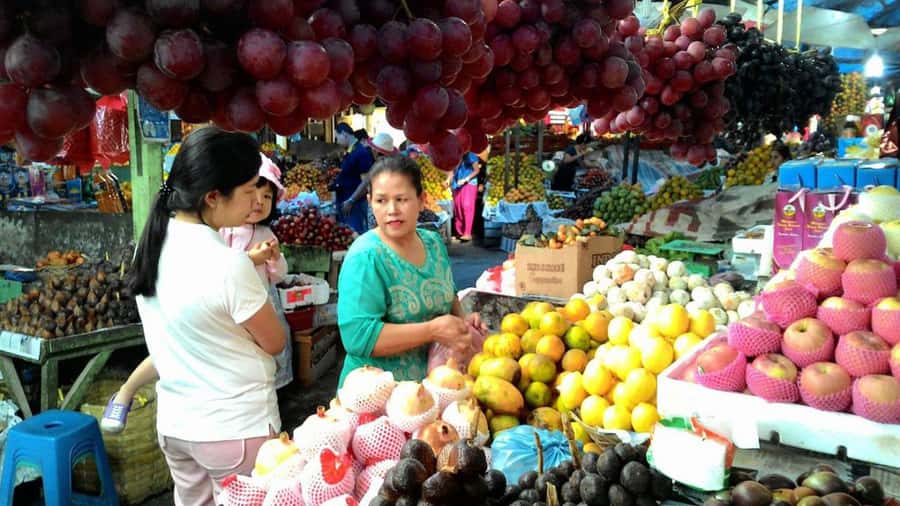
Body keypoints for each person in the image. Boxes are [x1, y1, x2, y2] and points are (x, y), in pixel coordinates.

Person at [125, 127, 287, 505]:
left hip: (177, 426)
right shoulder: (230, 265)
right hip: (233, 429)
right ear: (213, 197)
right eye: (248, 191)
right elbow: (275, 341)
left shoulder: (149, 250)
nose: (254, 203)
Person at [336, 155, 481, 387]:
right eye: (381, 201)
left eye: (401, 199)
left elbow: (448, 294)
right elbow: (358, 337)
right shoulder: (365, 257)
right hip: (376, 396)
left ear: (422, 200)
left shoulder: (433, 243)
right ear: (370, 201)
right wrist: (432, 331)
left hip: (433, 389)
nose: (392, 210)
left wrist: (463, 322)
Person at [333, 122, 374, 234]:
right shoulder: (351, 151)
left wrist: (351, 200)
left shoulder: (361, 153)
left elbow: (366, 182)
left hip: (355, 206)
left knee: (357, 236)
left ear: (344, 134)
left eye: (337, 138)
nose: (337, 142)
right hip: (347, 204)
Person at [447, 151, 481, 242]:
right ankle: (459, 232)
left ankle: (467, 233)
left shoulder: (471, 155)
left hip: (469, 183)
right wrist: (448, 180)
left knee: (467, 206)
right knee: (458, 208)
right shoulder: (455, 155)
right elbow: (452, 171)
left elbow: (477, 170)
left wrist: (466, 179)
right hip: (457, 184)